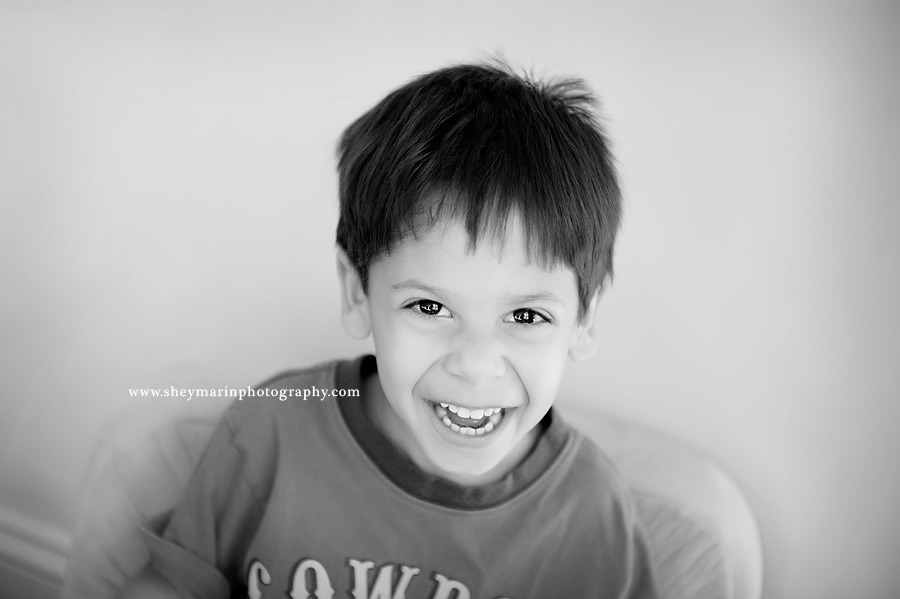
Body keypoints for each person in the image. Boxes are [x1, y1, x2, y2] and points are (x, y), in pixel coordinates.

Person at [119, 61, 658, 599]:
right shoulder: (273, 430)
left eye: (525, 317)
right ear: (358, 294)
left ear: (582, 321)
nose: (474, 364)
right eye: (429, 307)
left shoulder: (591, 513)